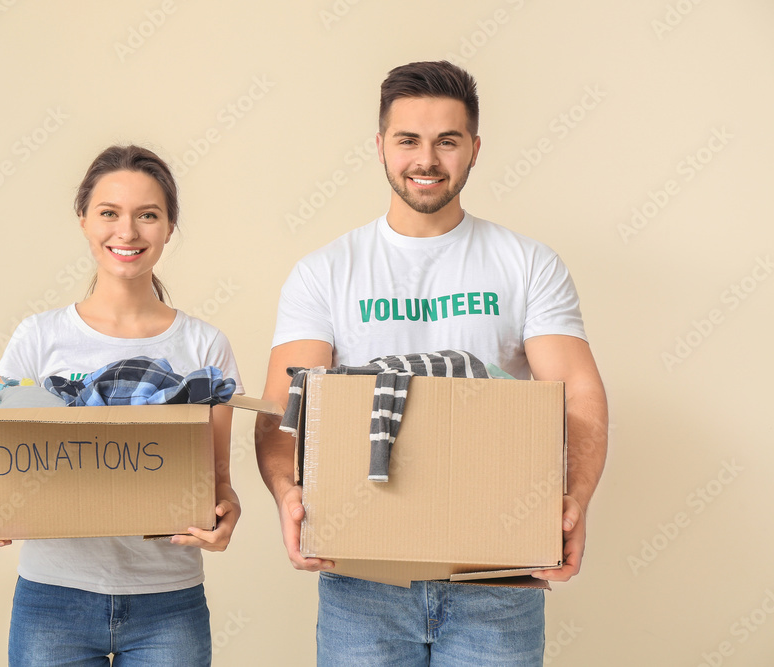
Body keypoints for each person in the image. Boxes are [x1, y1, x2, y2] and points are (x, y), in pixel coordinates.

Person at [254, 61, 608, 666]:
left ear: (473, 148)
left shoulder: (526, 264)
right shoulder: (326, 271)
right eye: (408, 140)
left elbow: (576, 391)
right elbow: (282, 410)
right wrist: (288, 494)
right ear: (380, 147)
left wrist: (575, 498)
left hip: (494, 576)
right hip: (364, 578)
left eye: (447, 141)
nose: (427, 159)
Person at [0, 144, 243, 666]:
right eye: (109, 213)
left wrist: (226, 513)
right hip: (52, 597)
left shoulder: (204, 347)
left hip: (168, 599)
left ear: (169, 227)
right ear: (83, 220)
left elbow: (215, 479)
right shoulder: (39, 338)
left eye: (147, 215)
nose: (126, 232)